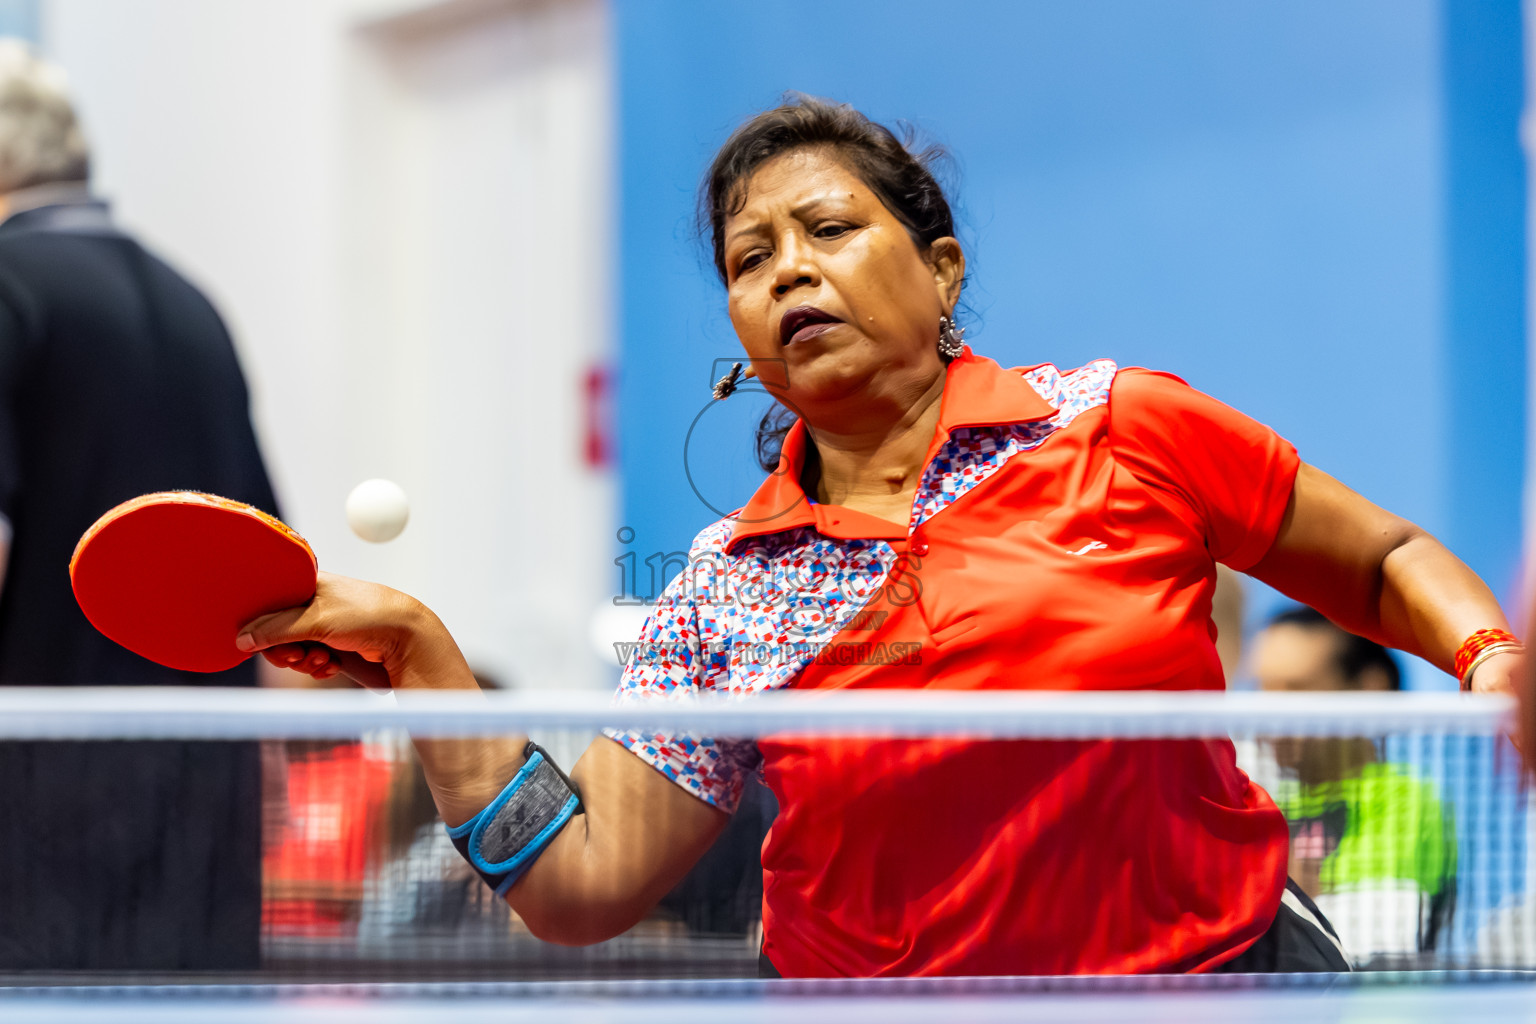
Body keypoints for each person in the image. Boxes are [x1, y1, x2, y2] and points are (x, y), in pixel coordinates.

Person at [238, 96, 1523, 977]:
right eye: (752, 257)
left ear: (944, 268)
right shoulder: (729, 591)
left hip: (1207, 981)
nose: (791, 270)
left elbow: (1378, 558)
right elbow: (583, 882)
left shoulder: (1118, 425)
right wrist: (428, 666)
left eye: (830, 231)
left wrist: (1489, 655)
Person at [0, 41, 278, 969]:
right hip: (201, 803)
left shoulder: (6, 288)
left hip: (34, 796)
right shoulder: (192, 302)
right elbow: (268, 570)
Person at [1251, 607, 1455, 963]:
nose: (1269, 711)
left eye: (1296, 688)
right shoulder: (1261, 803)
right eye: (1262, 688)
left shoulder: (1405, 801)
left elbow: (1372, 941)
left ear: (1369, 689)